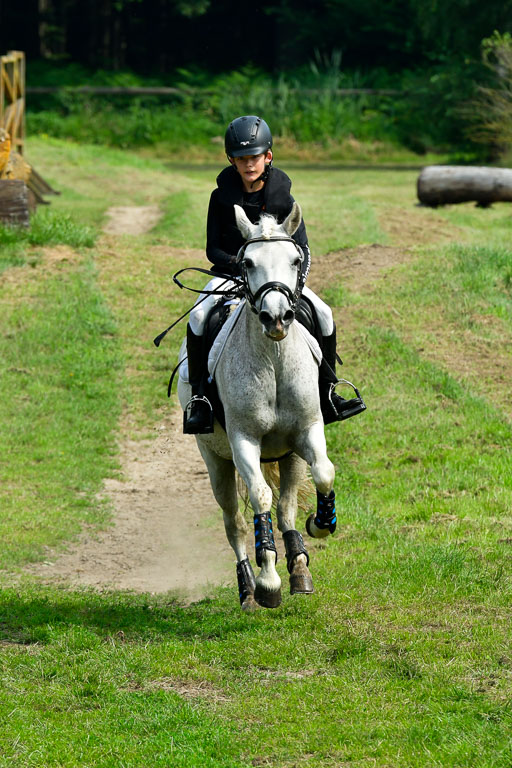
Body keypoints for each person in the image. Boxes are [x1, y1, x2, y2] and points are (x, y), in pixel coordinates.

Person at [184, 114, 359, 434]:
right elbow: (212, 250)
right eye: (241, 159)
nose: (248, 164)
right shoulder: (219, 197)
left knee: (324, 313)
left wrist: (295, 286)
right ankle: (200, 399)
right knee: (198, 316)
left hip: (279, 282)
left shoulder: (284, 198)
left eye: (254, 157)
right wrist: (243, 267)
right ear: (231, 161)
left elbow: (303, 250)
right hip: (232, 277)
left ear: (268, 157)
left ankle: (330, 391)